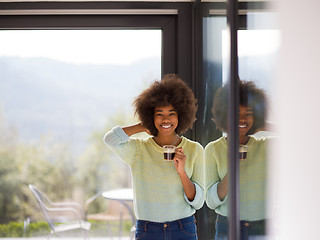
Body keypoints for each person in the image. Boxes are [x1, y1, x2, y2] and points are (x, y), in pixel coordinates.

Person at [103, 74, 205, 240]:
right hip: (148, 229)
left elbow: (198, 201)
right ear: (151, 116)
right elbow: (110, 140)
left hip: (182, 228)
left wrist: (182, 172)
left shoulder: (194, 150)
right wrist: (141, 126)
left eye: (171, 113)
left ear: (181, 115)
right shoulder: (139, 150)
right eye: (159, 113)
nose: (166, 119)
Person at [205, 81, 268, 240]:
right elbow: (212, 202)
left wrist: (264, 125)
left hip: (260, 226)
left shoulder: (265, 147)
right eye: (236, 113)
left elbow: (299, 138)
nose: (242, 119)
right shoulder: (213, 150)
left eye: (248, 113)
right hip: (227, 225)